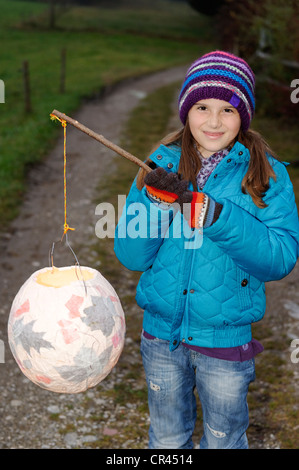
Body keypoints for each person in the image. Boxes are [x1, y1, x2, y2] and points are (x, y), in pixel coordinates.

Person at [114, 50, 299, 449]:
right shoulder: (159, 164)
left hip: (225, 342)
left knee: (224, 440)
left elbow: (280, 257)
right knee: (166, 439)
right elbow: (131, 256)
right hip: (161, 336)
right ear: (186, 109)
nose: (213, 121)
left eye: (228, 110)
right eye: (202, 106)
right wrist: (156, 204)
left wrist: (216, 215)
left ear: (244, 116)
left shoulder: (266, 174)